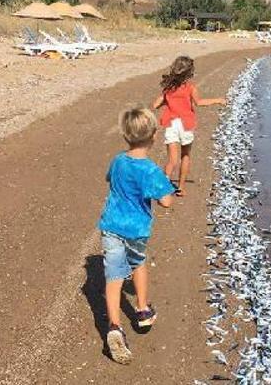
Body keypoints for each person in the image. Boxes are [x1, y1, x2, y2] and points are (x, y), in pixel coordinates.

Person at [98, 107, 175, 365]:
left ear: (125, 136)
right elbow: (166, 202)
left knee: (113, 277)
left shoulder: (118, 160)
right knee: (138, 263)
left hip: (111, 225)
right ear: (154, 136)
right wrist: (167, 184)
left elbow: (110, 180)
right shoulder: (150, 170)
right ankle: (142, 310)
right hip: (136, 229)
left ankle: (114, 327)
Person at [152, 56, 226, 197]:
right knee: (185, 155)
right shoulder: (190, 87)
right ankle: (180, 188)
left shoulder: (168, 89)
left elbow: (155, 104)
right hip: (186, 124)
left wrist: (166, 102)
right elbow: (199, 102)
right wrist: (218, 100)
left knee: (172, 160)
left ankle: (162, 185)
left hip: (172, 123)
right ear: (190, 73)